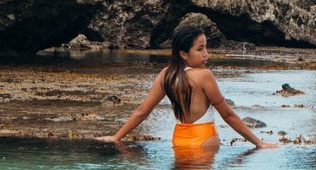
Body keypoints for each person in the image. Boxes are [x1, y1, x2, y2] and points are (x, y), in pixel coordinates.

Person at [96, 25, 278, 150]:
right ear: (183, 53)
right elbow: (228, 115)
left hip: (179, 141)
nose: (206, 54)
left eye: (206, 47)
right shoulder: (204, 75)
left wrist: (117, 137)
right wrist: (259, 143)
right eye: (200, 49)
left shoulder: (165, 75)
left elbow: (143, 111)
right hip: (205, 140)